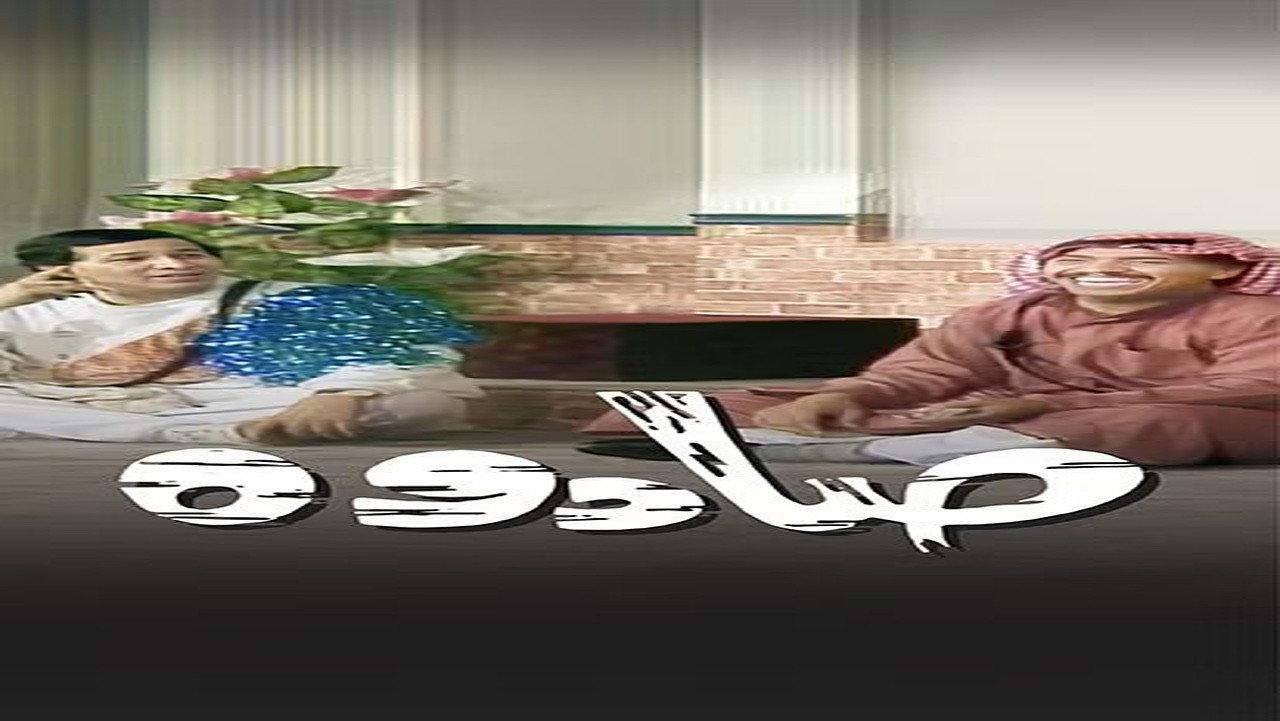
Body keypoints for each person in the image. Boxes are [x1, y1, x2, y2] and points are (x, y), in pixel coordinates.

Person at [580, 232, 1280, 466]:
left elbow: (1257, 387)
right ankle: (830, 434)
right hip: (978, 412)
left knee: (1158, 425)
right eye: (1081, 259)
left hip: (1164, 416)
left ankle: (897, 446)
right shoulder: (1009, 313)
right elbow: (932, 369)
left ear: (1221, 268)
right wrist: (850, 394)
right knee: (683, 406)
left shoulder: (1250, 316)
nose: (1101, 269)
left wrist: (1039, 404)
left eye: (1134, 259)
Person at [0, 229, 483, 444]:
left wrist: (341, 393)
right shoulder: (35, 312)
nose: (170, 264)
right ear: (62, 272)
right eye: (132, 259)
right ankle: (199, 436)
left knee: (424, 404)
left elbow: (407, 349)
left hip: (259, 401)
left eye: (188, 254)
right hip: (84, 405)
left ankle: (239, 431)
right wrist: (8, 297)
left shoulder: (276, 295)